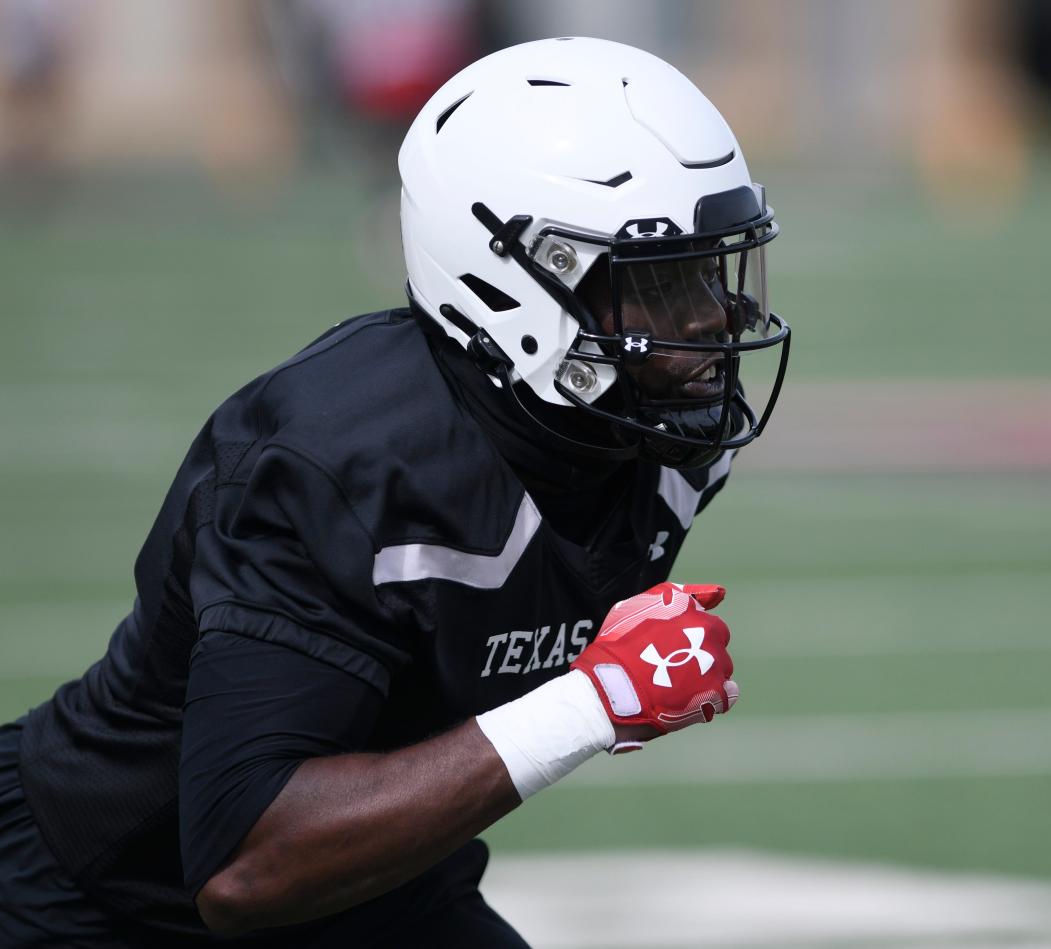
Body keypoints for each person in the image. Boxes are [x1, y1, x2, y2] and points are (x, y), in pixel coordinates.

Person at [0, 37, 790, 946]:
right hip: (99, 897)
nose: (706, 325)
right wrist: (591, 700)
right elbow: (243, 863)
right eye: (655, 284)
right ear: (515, 285)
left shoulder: (657, 438)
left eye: (708, 273)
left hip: (378, 879)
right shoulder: (338, 461)